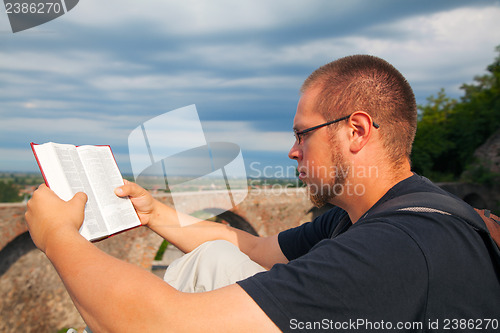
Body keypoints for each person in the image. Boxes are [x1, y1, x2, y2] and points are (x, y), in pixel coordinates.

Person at [25, 55, 500, 332]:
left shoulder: (391, 248)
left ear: (355, 131)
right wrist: (153, 213)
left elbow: (164, 324)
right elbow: (250, 247)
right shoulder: (361, 216)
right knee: (212, 260)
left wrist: (58, 236)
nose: (293, 152)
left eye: (302, 134)